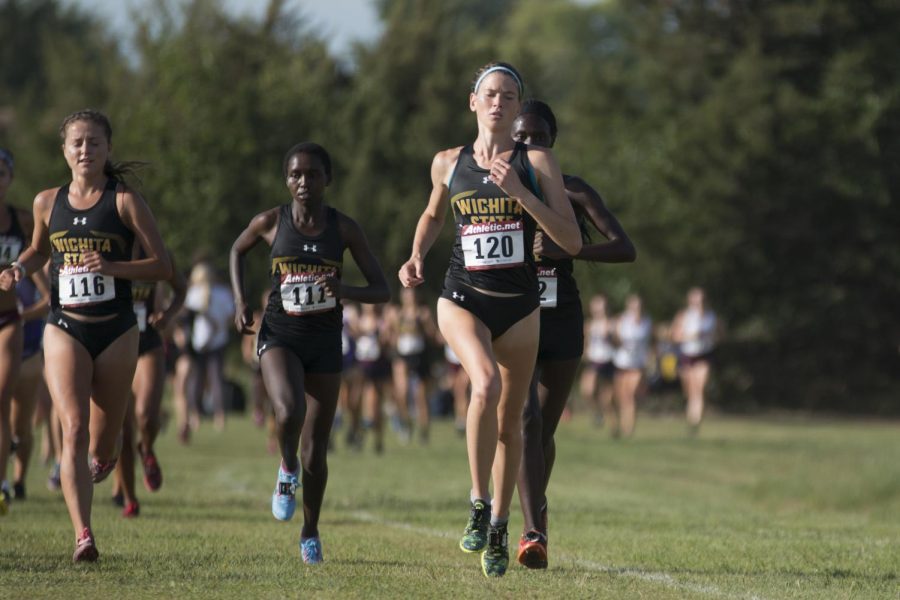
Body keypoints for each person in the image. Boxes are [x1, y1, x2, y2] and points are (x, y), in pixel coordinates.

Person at [398, 62, 582, 577]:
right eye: (490, 94)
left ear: (518, 107)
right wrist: (416, 254)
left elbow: (571, 241)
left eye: (508, 96)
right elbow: (435, 213)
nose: (498, 103)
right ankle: (479, 503)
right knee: (483, 386)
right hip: (462, 296)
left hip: (521, 306)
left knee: (511, 427)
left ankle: (501, 524)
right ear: (472, 102)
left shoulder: (537, 161)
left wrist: (523, 196)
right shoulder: (446, 163)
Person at [0, 110, 171, 560]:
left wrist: (111, 266)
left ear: (107, 149)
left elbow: (163, 266)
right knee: (72, 427)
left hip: (116, 330)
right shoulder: (46, 202)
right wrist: (19, 268)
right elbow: (39, 249)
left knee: (103, 440)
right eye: (77, 143)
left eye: (94, 143)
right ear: (64, 151)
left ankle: (108, 454)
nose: (85, 150)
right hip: (65, 326)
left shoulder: (124, 202)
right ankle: (83, 535)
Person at [230, 141, 389, 564]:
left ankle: (310, 531)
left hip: (324, 343)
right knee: (287, 412)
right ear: (287, 180)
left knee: (317, 450)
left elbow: (382, 288)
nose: (303, 182)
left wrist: (346, 291)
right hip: (279, 335)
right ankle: (286, 469)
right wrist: (240, 301)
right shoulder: (270, 222)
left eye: (312, 175)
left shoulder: (344, 228)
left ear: (327, 180)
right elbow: (237, 250)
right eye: (296, 175)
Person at [510, 98, 636, 569]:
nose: (528, 144)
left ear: (553, 144)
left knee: (542, 428)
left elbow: (626, 249)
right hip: (515, 318)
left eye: (538, 137)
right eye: (521, 136)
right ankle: (529, 530)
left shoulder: (574, 191)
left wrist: (573, 250)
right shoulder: (494, 192)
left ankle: (534, 509)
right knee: (524, 421)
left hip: (562, 318)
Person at [113, 245, 186, 517]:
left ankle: (147, 448)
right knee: (122, 428)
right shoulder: (106, 248)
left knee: (145, 415)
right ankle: (129, 498)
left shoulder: (157, 252)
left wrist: (167, 315)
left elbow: (181, 288)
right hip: (114, 343)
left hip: (148, 342)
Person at [0, 147, 36, 513]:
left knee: (2, 401)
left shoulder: (21, 219)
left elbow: (40, 258)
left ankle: (2, 483)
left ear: (9, 178)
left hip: (9, 320)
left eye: (1, 173)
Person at [184, 261, 234, 430]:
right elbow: (230, 317)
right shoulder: (223, 293)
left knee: (196, 380)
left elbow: (186, 317)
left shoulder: (192, 293)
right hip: (218, 341)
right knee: (216, 379)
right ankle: (220, 417)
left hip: (198, 342)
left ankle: (195, 416)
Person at [388, 287, 439, 444]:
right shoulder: (397, 313)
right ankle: (406, 423)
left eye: (412, 295)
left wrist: (425, 323)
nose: (409, 298)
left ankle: (424, 431)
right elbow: (391, 337)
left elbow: (433, 336)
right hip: (402, 355)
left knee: (420, 396)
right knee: (401, 392)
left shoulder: (423, 312)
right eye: (406, 295)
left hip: (419, 355)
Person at [671, 287, 718, 434]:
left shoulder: (711, 317)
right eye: (695, 299)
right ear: (690, 301)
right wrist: (692, 336)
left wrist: (712, 337)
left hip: (704, 355)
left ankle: (695, 423)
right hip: (687, 354)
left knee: (699, 389)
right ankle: (691, 417)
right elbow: (675, 337)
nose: (699, 302)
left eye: (701, 299)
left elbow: (721, 335)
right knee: (690, 391)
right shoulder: (683, 316)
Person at [611, 294, 652, 438]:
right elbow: (614, 341)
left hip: (638, 364)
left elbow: (650, 343)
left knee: (631, 395)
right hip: (621, 362)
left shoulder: (647, 322)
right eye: (633, 306)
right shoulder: (620, 321)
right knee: (621, 397)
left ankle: (629, 430)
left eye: (638, 306)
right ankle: (620, 425)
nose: (636, 309)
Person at [580, 294, 616, 427]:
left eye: (599, 305)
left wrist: (610, 336)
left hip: (607, 360)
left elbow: (618, 343)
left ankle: (613, 424)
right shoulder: (589, 324)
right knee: (587, 391)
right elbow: (586, 343)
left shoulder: (611, 323)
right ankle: (598, 413)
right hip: (594, 361)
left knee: (607, 399)